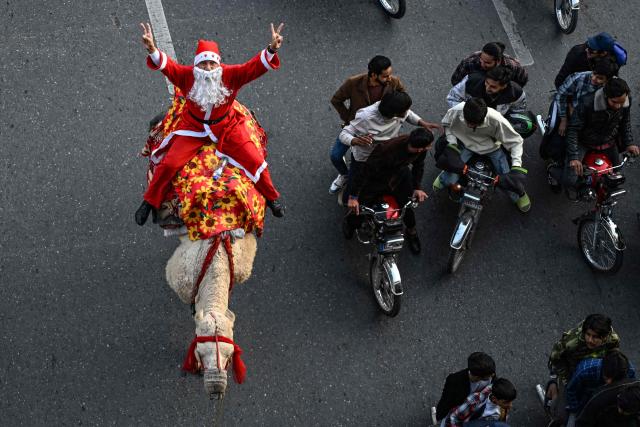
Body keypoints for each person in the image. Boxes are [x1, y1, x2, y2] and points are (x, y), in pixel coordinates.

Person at [134, 22, 286, 225]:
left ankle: (272, 198)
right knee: (169, 163)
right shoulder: (187, 75)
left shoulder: (231, 75)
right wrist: (152, 48)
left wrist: (271, 49)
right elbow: (168, 66)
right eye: (203, 64)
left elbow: (254, 67)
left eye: (212, 64)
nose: (207, 68)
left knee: (256, 162)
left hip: (227, 127)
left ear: (219, 65)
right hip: (193, 128)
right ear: (196, 65)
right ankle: (149, 202)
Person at [432, 98, 530, 213]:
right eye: (467, 122)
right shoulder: (456, 111)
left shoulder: (496, 119)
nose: (469, 125)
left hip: (492, 149)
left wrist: (516, 166)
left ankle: (519, 195)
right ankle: (445, 177)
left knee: (509, 179)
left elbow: (516, 141)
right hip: (465, 145)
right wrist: (452, 143)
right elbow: (447, 124)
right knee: (450, 179)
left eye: (474, 124)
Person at [343, 128, 433, 254]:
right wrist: (353, 197)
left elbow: (418, 166)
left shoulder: (421, 149)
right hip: (375, 180)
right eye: (416, 149)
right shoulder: (386, 149)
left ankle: (411, 232)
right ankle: (350, 224)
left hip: (399, 178)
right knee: (359, 210)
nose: (419, 151)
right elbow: (365, 172)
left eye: (422, 149)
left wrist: (417, 188)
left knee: (406, 208)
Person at [328, 56, 406, 194]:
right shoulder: (353, 83)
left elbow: (402, 98)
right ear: (373, 74)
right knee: (335, 156)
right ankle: (344, 175)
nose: (389, 78)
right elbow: (336, 100)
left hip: (379, 131)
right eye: (385, 76)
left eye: (390, 74)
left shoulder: (393, 82)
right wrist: (349, 118)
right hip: (356, 128)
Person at [548, 77, 639, 191]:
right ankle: (553, 171)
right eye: (614, 102)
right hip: (585, 142)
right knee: (570, 181)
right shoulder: (587, 103)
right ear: (606, 95)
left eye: (622, 102)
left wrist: (629, 143)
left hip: (608, 142)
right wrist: (574, 157)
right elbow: (573, 130)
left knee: (616, 177)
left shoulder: (626, 100)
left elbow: (625, 123)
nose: (618, 106)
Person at [542, 57, 619, 191]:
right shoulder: (578, 78)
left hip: (593, 127)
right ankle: (553, 169)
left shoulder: (613, 90)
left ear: (608, 80)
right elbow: (560, 96)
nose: (594, 79)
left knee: (616, 167)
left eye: (600, 78)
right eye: (594, 74)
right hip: (572, 120)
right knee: (558, 145)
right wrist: (564, 119)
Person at [546, 314, 621, 426]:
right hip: (570, 373)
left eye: (595, 337)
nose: (589, 340)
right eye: (588, 334)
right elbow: (555, 357)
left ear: (605, 337)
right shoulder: (572, 342)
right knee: (562, 414)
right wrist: (559, 379)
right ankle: (550, 406)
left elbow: (613, 356)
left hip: (592, 373)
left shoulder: (613, 340)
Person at [564, 351, 636, 421]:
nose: (609, 382)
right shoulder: (585, 370)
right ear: (603, 366)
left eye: (614, 380)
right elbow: (571, 390)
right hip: (585, 397)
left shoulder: (630, 372)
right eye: (607, 377)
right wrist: (576, 409)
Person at [436, 352, 497, 421]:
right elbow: (446, 401)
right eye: (489, 375)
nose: (493, 375)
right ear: (478, 377)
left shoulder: (491, 376)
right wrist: (439, 416)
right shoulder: (454, 380)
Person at [554, 32, 627, 89]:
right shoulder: (577, 54)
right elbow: (561, 79)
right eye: (588, 45)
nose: (587, 50)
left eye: (591, 50)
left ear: (603, 53)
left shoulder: (611, 63)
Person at [447, 66, 527, 116]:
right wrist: (466, 114)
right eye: (487, 83)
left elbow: (519, 111)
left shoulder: (516, 93)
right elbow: (452, 98)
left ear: (504, 86)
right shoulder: (471, 81)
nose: (487, 88)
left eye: (493, 87)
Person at [442, 377, 516, 427]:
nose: (510, 405)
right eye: (506, 402)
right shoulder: (474, 401)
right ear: (494, 399)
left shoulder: (502, 400)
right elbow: (453, 417)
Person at [451, 42, 528, 88]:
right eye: (481, 59)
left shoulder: (512, 66)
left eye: (487, 63)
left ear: (498, 61)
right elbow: (456, 81)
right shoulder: (470, 62)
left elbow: (522, 79)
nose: (482, 64)